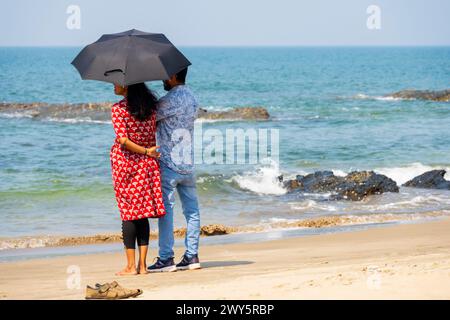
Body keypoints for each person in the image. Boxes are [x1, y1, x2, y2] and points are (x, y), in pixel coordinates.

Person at [147, 68, 201, 272]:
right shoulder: (192, 97)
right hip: (188, 163)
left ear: (173, 76)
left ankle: (166, 258)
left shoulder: (168, 100)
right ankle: (192, 255)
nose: (163, 79)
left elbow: (150, 119)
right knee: (192, 211)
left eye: (165, 76)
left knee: (166, 212)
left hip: (169, 163)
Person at [110, 82, 165, 276]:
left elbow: (123, 140)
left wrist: (143, 150)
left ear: (125, 85)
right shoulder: (151, 107)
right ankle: (143, 266)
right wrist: (148, 152)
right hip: (148, 165)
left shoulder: (118, 109)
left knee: (128, 213)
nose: (112, 85)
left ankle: (130, 266)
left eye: (116, 82)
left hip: (126, 164)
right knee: (142, 214)